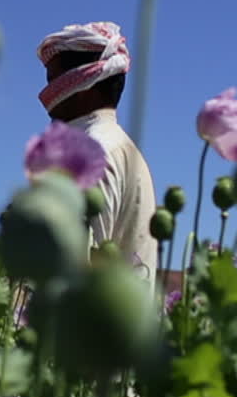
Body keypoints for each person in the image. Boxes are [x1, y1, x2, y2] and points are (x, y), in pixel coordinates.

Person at [37, 21, 158, 287]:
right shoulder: (121, 147)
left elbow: (76, 271)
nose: (45, 95)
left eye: (52, 80)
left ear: (84, 84)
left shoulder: (91, 155)